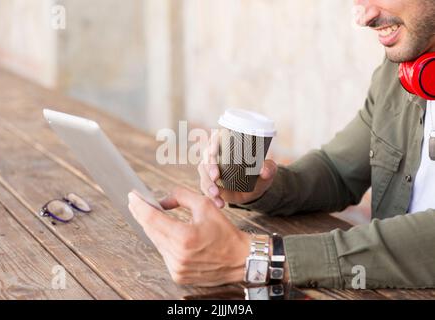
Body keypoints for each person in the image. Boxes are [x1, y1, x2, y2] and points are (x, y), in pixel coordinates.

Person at [128, 0, 435, 289]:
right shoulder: (398, 70)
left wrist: (256, 256)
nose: (363, 16)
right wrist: (262, 189)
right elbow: (338, 171)